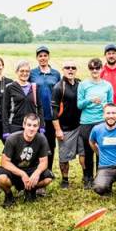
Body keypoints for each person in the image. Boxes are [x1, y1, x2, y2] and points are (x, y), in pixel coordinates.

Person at [0, 113, 54, 206]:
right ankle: (9, 195)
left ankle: (30, 190)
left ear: (38, 127)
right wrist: (22, 174)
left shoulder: (41, 139)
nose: (31, 128)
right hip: (15, 170)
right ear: (24, 125)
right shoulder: (12, 138)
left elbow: (44, 162)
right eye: (29, 125)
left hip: (31, 169)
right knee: (1, 178)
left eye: (34, 126)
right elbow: (4, 162)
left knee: (48, 178)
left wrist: (37, 173)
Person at [77, 58, 114, 188]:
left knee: (101, 151)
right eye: (92, 68)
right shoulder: (83, 85)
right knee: (88, 152)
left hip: (101, 122)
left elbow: (111, 104)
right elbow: (79, 105)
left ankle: (100, 177)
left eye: (97, 68)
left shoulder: (107, 85)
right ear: (89, 69)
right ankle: (88, 177)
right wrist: (90, 100)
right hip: (87, 122)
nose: (95, 70)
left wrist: (105, 105)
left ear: (101, 69)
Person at [51, 60, 84, 188]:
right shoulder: (59, 87)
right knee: (64, 157)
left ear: (76, 70)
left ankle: (86, 177)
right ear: (63, 70)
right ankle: (65, 180)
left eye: (73, 67)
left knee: (83, 153)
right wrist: (58, 130)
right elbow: (54, 111)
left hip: (80, 125)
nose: (70, 70)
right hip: (65, 128)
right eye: (67, 67)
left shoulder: (80, 84)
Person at [30, 45, 62, 173]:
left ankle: (48, 170)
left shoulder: (56, 74)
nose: (43, 58)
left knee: (50, 144)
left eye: (45, 55)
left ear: (48, 57)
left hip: (51, 115)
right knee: (36, 143)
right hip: (36, 114)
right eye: (40, 56)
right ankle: (36, 169)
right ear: (37, 58)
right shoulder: (32, 73)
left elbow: (60, 92)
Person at [2, 60, 43, 136]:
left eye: (27, 71)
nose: (24, 73)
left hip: (31, 126)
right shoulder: (9, 87)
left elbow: (40, 107)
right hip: (15, 126)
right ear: (16, 72)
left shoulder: (34, 87)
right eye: (22, 71)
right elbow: (5, 110)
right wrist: (6, 130)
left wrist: (41, 125)